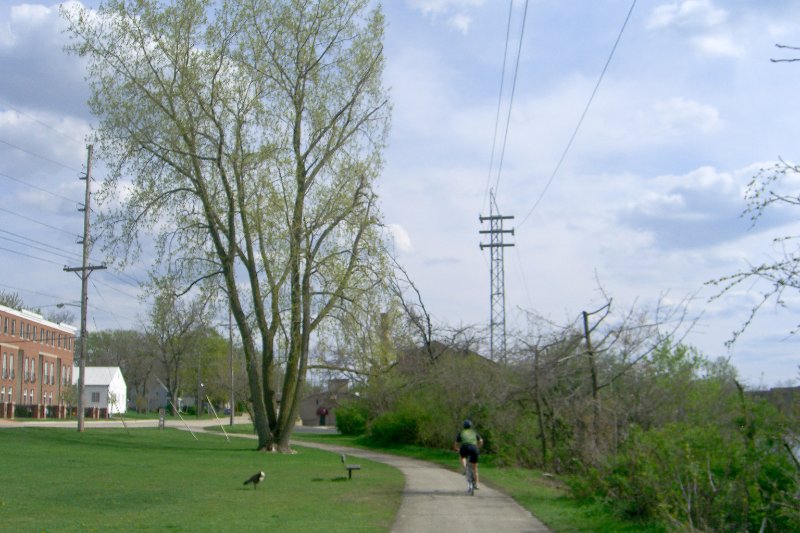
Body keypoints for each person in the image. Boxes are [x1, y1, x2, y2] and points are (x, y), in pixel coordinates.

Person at [454, 419, 483, 489]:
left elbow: (456, 443)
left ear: (463, 426)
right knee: (475, 468)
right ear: (471, 426)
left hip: (464, 447)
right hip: (474, 448)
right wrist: (478, 447)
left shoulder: (461, 432)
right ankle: (476, 484)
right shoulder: (474, 432)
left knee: (462, 456)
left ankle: (464, 468)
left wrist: (457, 449)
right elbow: (481, 440)